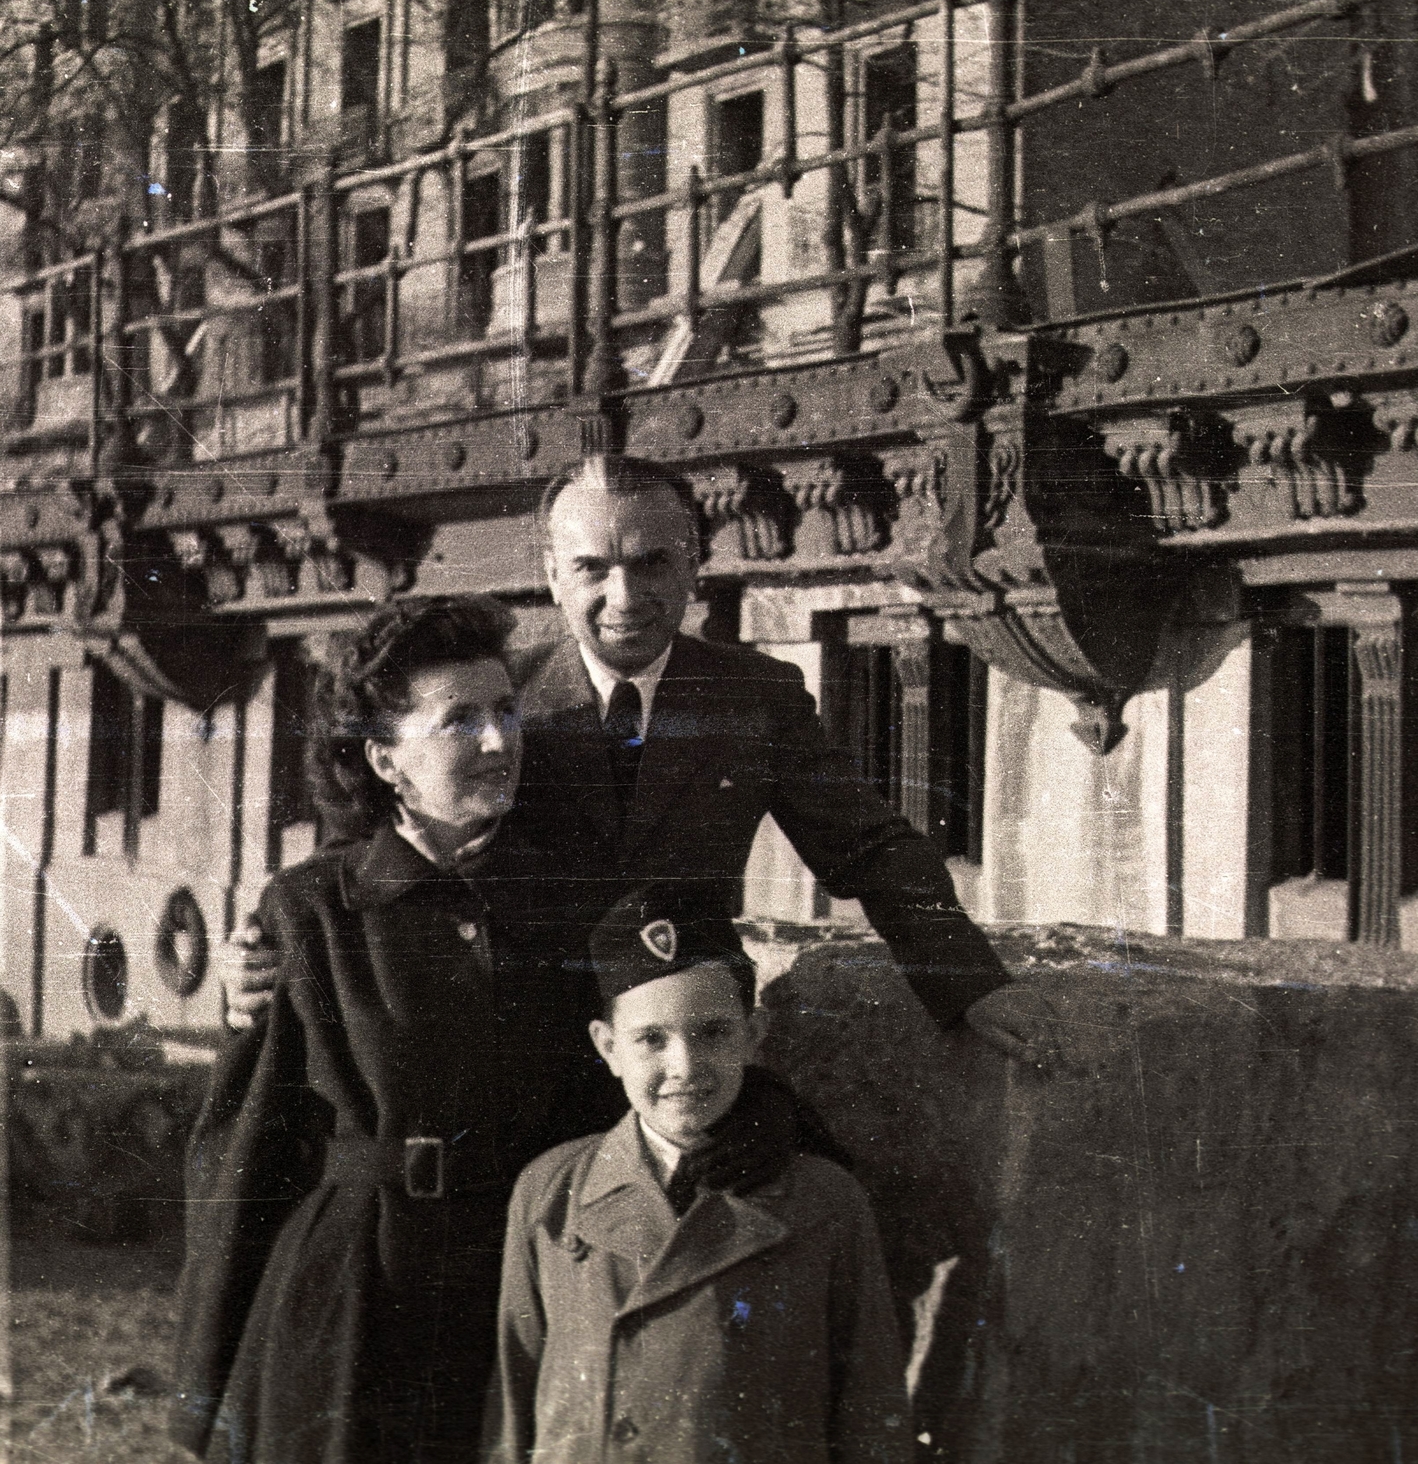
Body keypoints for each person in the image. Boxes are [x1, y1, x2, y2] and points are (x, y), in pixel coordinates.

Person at [170, 597, 801, 1464]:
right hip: (353, 1298)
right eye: (460, 719)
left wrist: (761, 1117)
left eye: (506, 710)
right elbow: (244, 1149)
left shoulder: (582, 898)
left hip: (526, 1279)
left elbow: (685, 1031)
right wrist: (205, 1385)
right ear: (386, 756)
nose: (501, 741)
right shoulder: (313, 909)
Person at [223, 455, 1059, 1063]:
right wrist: (260, 959)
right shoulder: (492, 698)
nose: (624, 598)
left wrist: (970, 984)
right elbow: (364, 852)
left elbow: (870, 847)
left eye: (652, 563)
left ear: (695, 564)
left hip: (686, 1044)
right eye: (592, 568)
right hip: (519, 1038)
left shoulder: (754, 696)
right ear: (553, 576)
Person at [484, 882, 911, 1464]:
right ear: (607, 1047)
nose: (683, 1066)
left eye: (712, 1033)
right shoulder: (552, 1189)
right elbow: (514, 1398)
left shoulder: (823, 1200)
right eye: (650, 1040)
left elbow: (870, 1410)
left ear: (754, 1034)